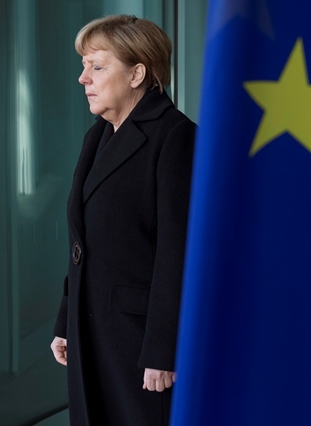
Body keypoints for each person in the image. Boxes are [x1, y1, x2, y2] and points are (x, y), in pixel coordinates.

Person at [49, 15, 195, 426]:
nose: (83, 79)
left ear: (137, 74)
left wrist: (163, 350)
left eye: (96, 66)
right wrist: (66, 320)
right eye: (83, 66)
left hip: (139, 343)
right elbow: (84, 244)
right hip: (90, 331)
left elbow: (178, 250)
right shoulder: (97, 136)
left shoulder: (176, 136)